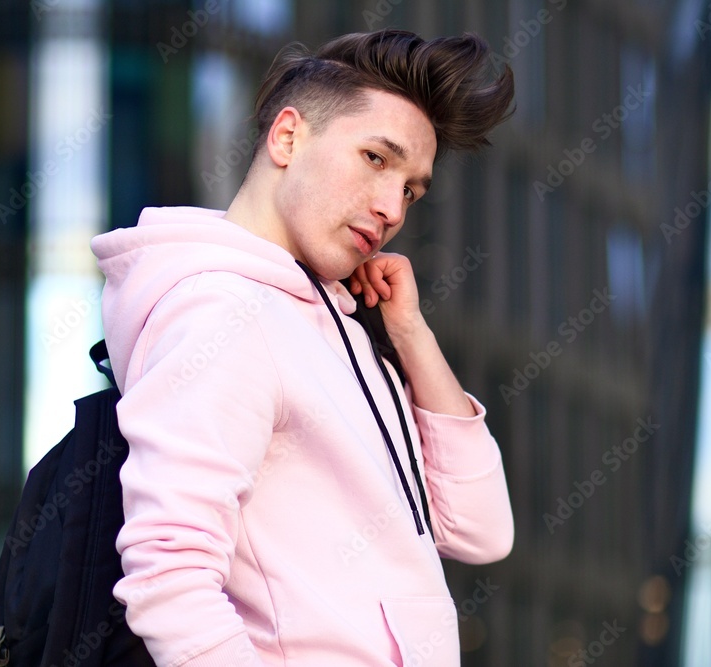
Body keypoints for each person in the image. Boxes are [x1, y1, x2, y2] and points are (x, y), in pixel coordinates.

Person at [91, 28, 515, 666]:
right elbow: (168, 572)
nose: (393, 208)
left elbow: (480, 529)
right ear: (287, 137)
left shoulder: (329, 322)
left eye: (410, 188)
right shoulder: (224, 313)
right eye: (376, 158)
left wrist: (410, 333)